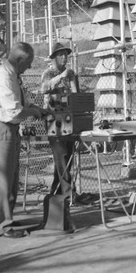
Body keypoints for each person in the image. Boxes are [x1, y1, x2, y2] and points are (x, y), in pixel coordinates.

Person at [0, 42, 48, 238]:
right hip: (0, 128)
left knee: (11, 178)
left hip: (8, 129)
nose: (29, 68)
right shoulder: (4, 77)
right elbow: (13, 113)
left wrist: (36, 108)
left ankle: (6, 218)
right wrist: (34, 112)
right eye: (28, 63)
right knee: (3, 179)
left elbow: (20, 101)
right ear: (19, 60)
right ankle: (1, 226)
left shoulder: (13, 76)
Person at [41, 42, 78, 197]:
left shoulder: (70, 74)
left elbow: (76, 96)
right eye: (60, 55)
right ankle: (68, 193)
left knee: (66, 157)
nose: (64, 58)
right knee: (60, 155)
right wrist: (61, 77)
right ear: (54, 58)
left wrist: (71, 80)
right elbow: (44, 88)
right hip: (54, 119)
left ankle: (56, 192)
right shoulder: (49, 73)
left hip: (69, 117)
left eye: (66, 55)